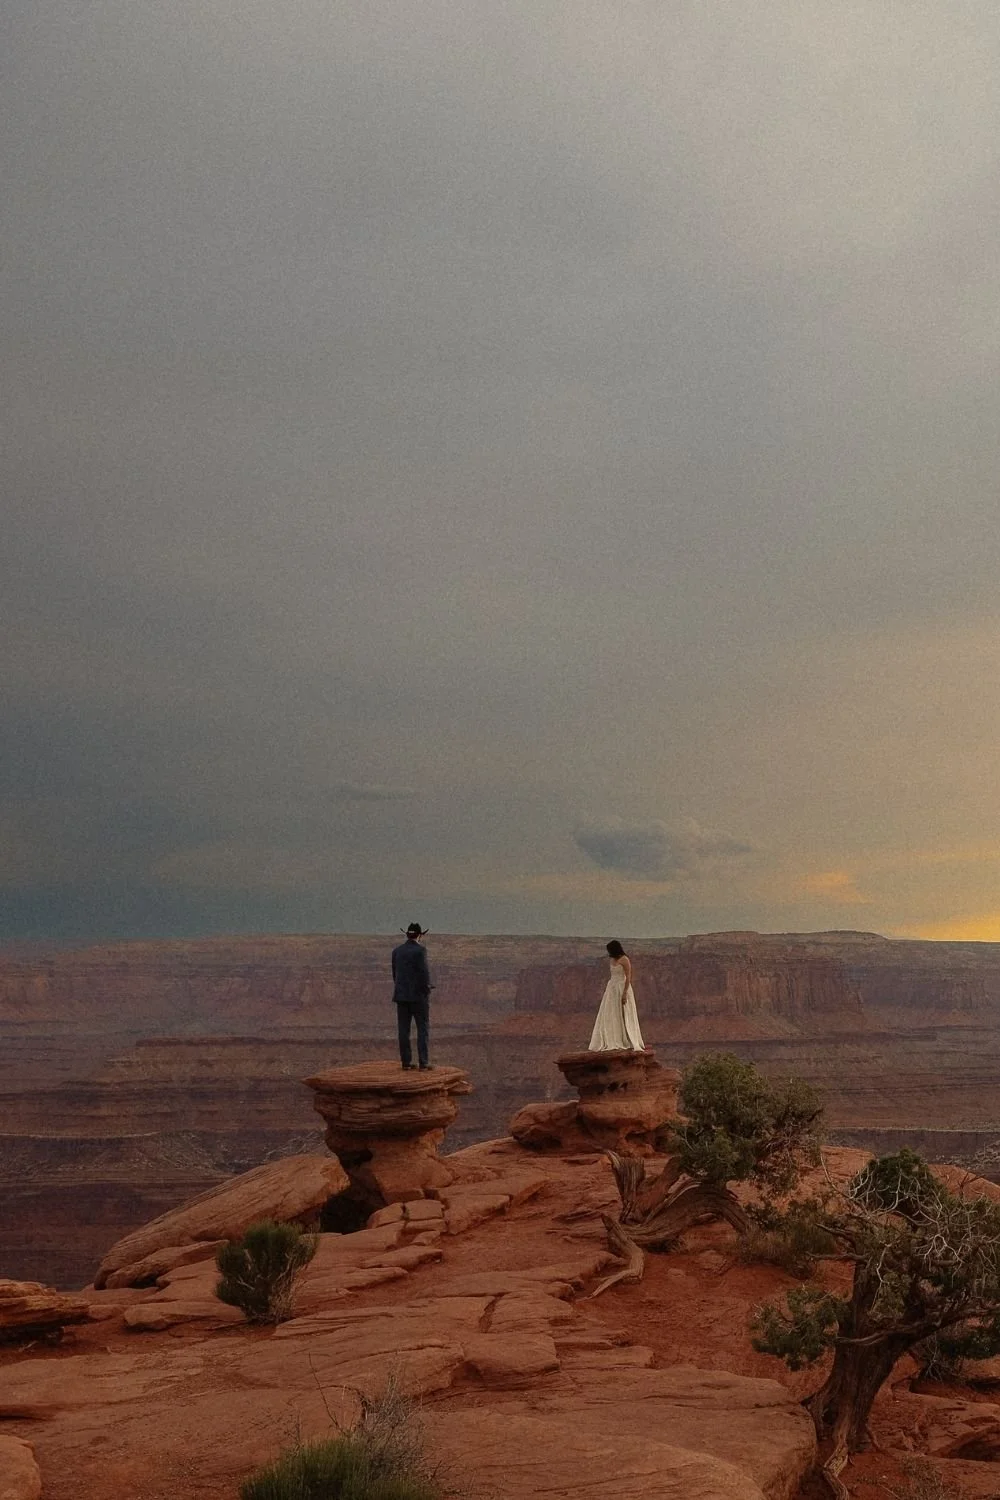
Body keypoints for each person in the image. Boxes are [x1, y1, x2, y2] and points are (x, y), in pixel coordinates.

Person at [588, 940, 645, 1052]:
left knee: (625, 1013)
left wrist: (624, 993)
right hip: (612, 989)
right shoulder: (612, 959)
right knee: (611, 1013)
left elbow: (628, 976)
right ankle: (613, 1037)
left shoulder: (625, 959)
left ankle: (628, 1039)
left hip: (622, 988)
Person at [391, 923, 433, 1070]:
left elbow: (395, 974)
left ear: (407, 935)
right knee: (423, 1028)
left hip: (401, 996)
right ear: (420, 935)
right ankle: (423, 1062)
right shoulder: (420, 951)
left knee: (403, 1030)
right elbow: (424, 973)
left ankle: (406, 1063)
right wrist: (427, 989)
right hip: (418, 997)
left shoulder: (397, 951)